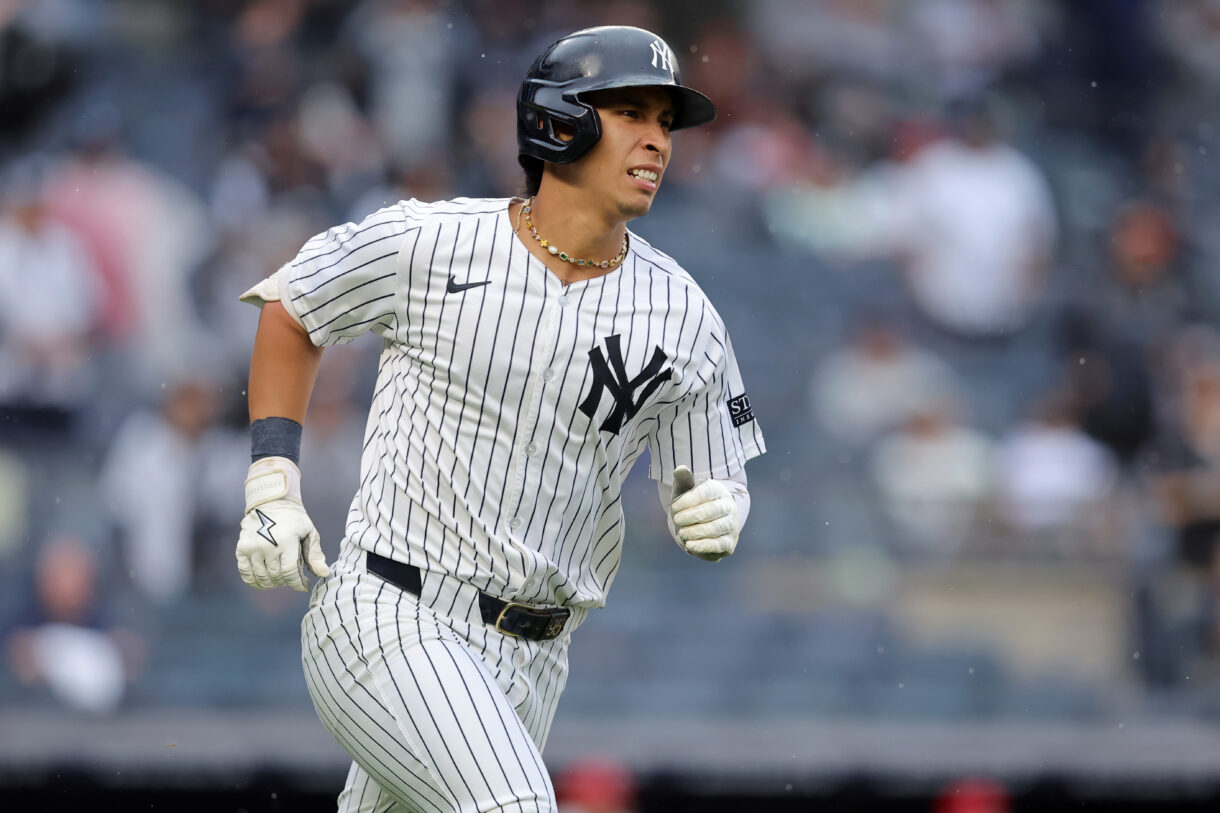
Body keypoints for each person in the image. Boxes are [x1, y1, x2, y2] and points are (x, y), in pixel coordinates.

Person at [234, 26, 765, 813]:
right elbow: (292, 307)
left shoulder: (686, 314)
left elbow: (716, 475)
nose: (657, 140)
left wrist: (723, 506)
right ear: (560, 120)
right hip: (390, 611)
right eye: (631, 112)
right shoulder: (431, 240)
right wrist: (272, 484)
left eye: (665, 122)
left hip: (536, 659)